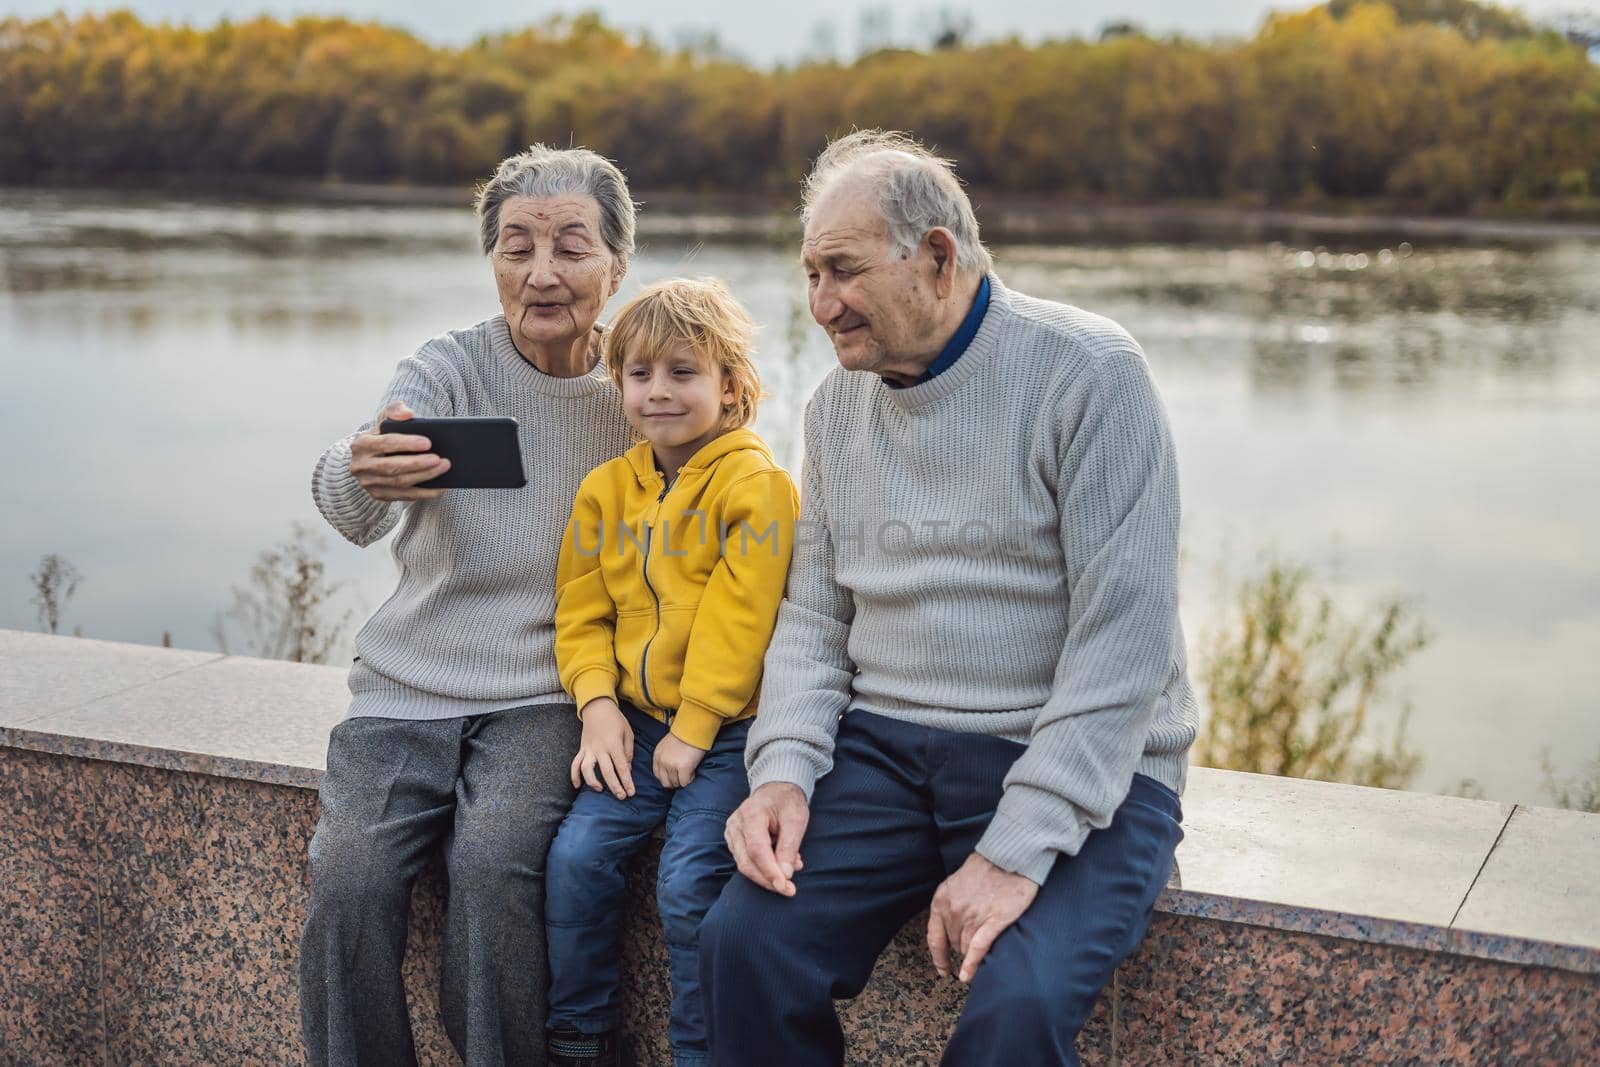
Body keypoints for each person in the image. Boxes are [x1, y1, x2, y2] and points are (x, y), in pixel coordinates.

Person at [701, 130, 1198, 1066]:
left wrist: (1013, 851)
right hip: (885, 752)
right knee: (745, 946)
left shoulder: (1089, 375)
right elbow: (813, 622)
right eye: (809, 274)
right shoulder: (835, 408)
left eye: (842, 270)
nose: (820, 304)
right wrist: (781, 772)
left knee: (1018, 1007)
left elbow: (1122, 650)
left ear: (935, 256)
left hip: (1087, 762)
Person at [299, 145, 639, 1067]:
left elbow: (724, 484)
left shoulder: (640, 387)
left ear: (618, 264)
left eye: (572, 246)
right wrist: (359, 461)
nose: (541, 272)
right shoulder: (447, 366)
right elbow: (354, 502)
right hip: (409, 685)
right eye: (516, 246)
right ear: (491, 260)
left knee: (492, 869)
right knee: (348, 876)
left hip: (547, 688)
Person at [543, 278, 799, 1067]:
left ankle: (700, 1053)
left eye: (683, 372)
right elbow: (580, 611)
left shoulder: (755, 486)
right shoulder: (605, 490)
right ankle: (581, 1035)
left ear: (730, 386)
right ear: (618, 384)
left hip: (728, 732)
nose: (659, 392)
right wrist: (594, 704)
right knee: (576, 860)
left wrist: (694, 726)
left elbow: (742, 619)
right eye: (640, 374)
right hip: (635, 723)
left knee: (689, 883)